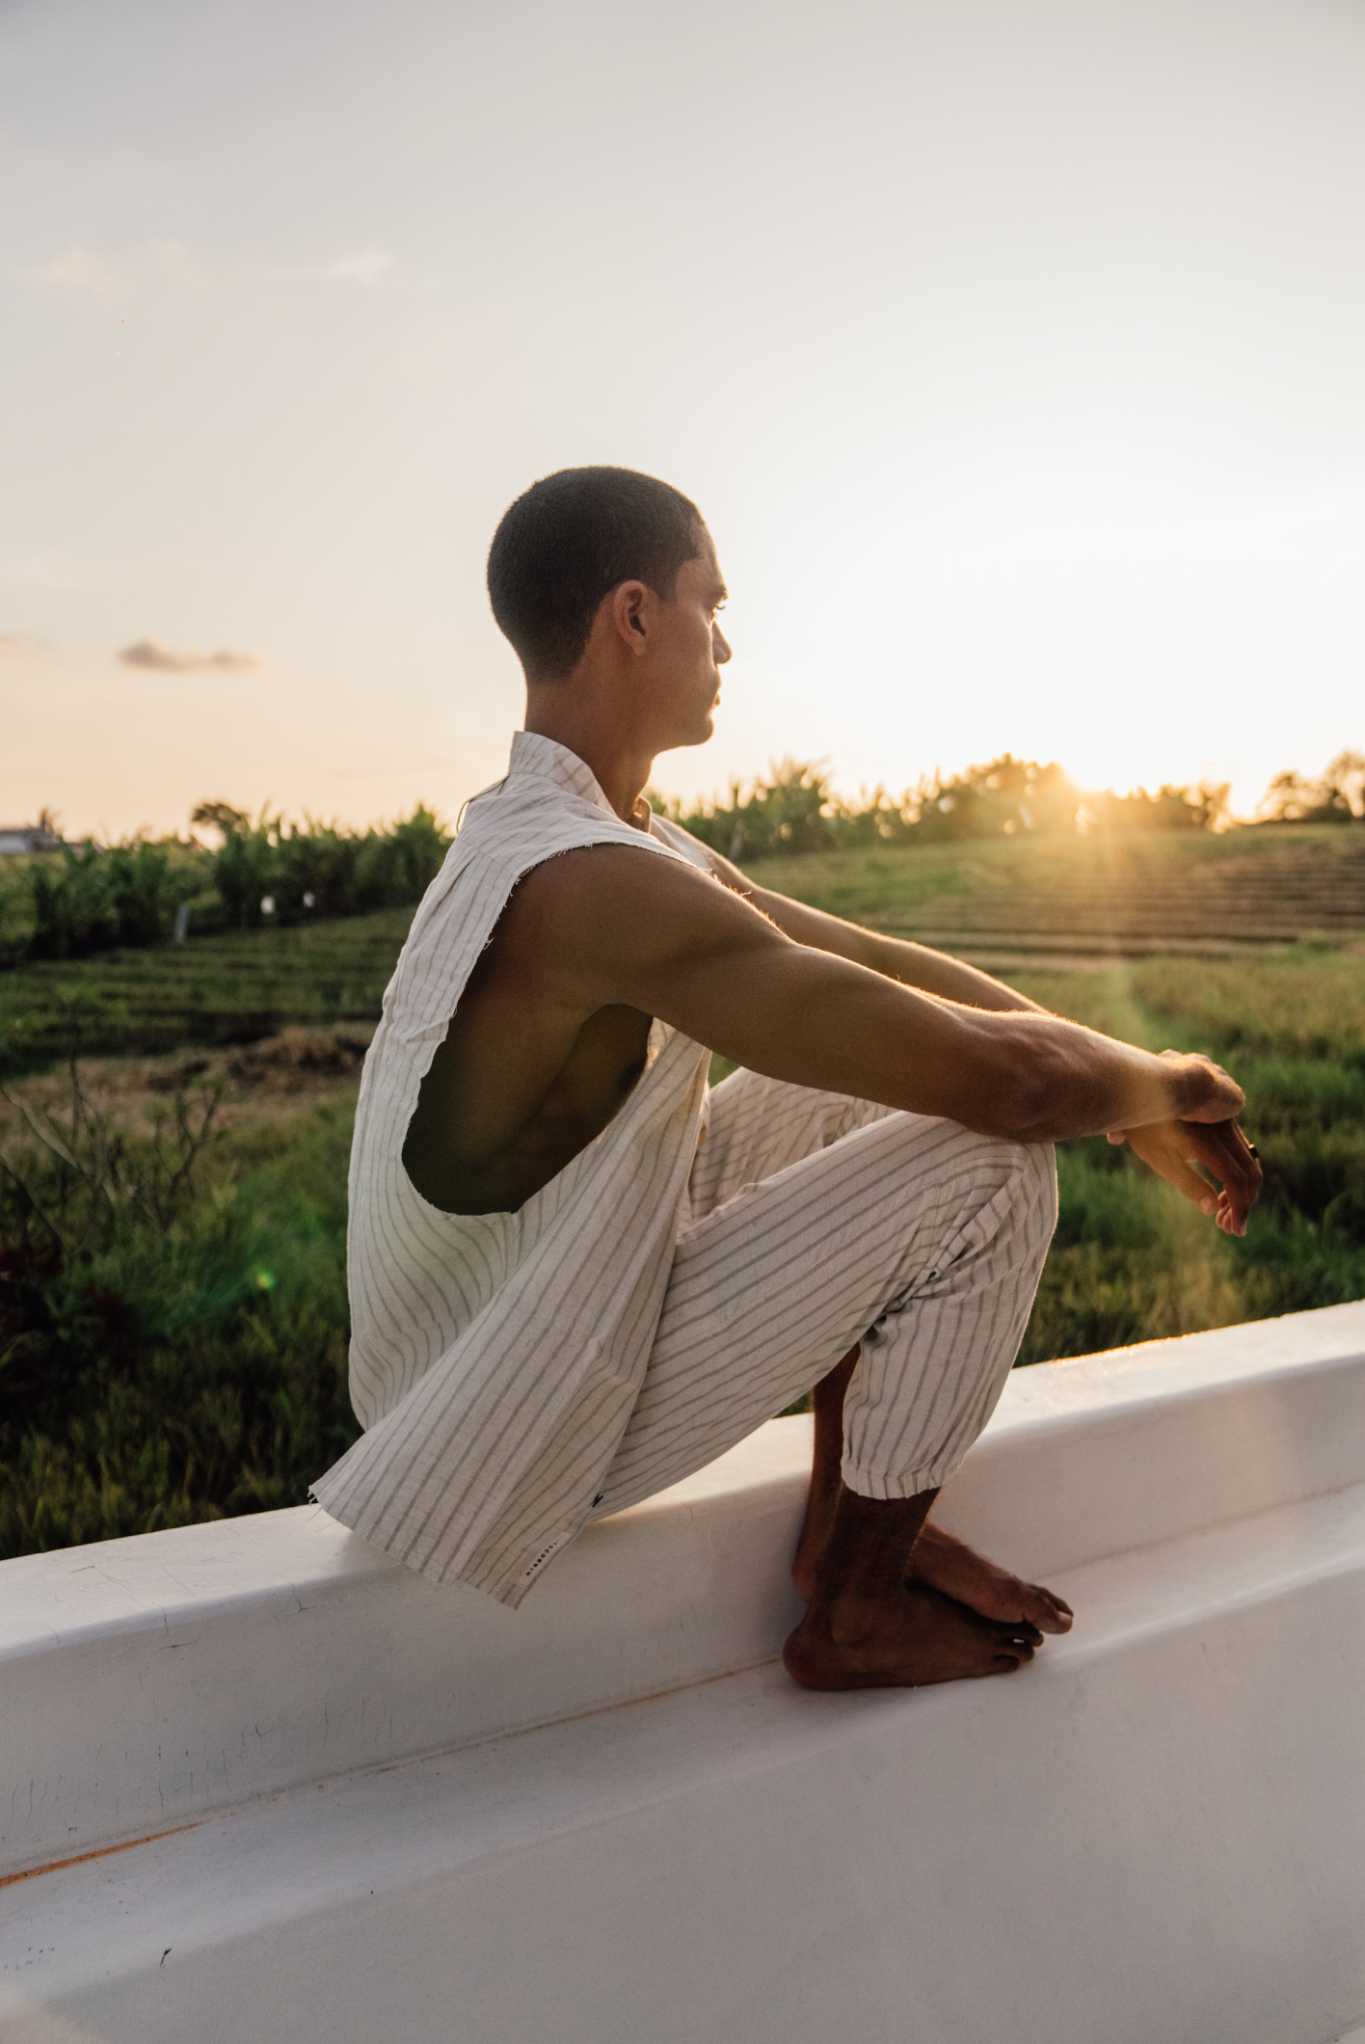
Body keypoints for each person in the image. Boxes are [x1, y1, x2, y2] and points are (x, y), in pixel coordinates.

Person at [307, 465, 1262, 1691]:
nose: (728, 642)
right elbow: (1009, 1089)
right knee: (987, 1161)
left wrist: (1133, 1104)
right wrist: (1173, 1083)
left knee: (886, 1084)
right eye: (713, 604)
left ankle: (839, 1528)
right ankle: (856, 1609)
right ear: (637, 617)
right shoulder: (591, 883)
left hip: (519, 1322)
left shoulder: (587, 833)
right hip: (507, 1418)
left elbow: (866, 961)